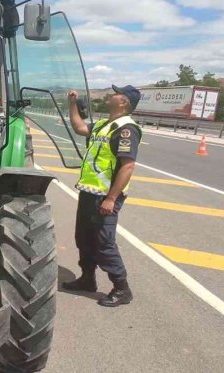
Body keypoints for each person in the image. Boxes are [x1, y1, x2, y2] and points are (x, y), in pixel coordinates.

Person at [61, 84, 142, 307]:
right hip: (89, 192)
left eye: (116, 93)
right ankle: (88, 279)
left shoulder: (126, 129)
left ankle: (122, 289)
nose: (110, 94)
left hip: (105, 197)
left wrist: (111, 198)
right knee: (84, 239)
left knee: (104, 243)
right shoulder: (104, 125)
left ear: (123, 102)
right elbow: (79, 128)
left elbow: (127, 166)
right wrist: (72, 105)